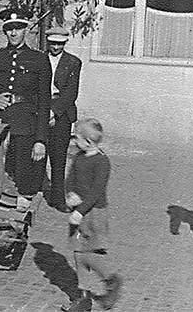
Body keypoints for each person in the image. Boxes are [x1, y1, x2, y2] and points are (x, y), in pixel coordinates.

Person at [0, 7, 51, 210]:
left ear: (25, 30)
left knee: (22, 182)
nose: (13, 33)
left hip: (25, 126)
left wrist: (40, 140)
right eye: (9, 29)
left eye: (18, 28)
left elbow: (44, 102)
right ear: (4, 31)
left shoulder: (39, 59)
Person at [62, 118, 122, 311]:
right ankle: (83, 298)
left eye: (77, 138)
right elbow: (70, 178)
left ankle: (111, 279)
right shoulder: (79, 157)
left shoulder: (102, 162)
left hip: (93, 214)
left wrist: (80, 212)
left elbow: (97, 192)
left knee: (86, 255)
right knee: (78, 254)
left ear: (88, 141)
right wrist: (69, 193)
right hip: (78, 211)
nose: (74, 141)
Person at [46, 27, 82, 213]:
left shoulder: (73, 62)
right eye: (53, 43)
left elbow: (71, 93)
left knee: (58, 157)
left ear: (65, 43)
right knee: (38, 153)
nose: (56, 47)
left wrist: (55, 112)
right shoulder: (39, 59)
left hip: (62, 113)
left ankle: (58, 197)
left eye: (60, 43)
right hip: (41, 110)